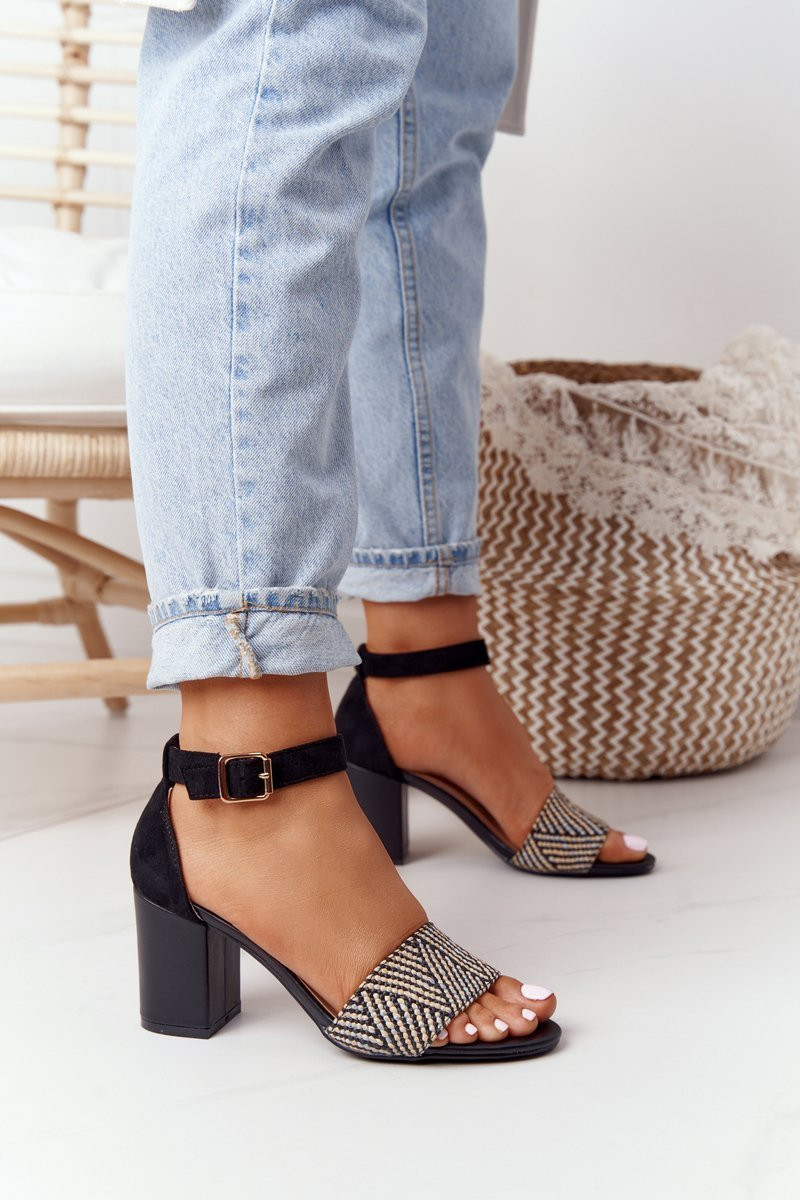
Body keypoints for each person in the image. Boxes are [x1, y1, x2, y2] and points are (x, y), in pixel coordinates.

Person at [126, 0, 653, 1063]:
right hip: (245, 767)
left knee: (436, 101)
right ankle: (246, 769)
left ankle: (425, 667)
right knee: (291, 37)